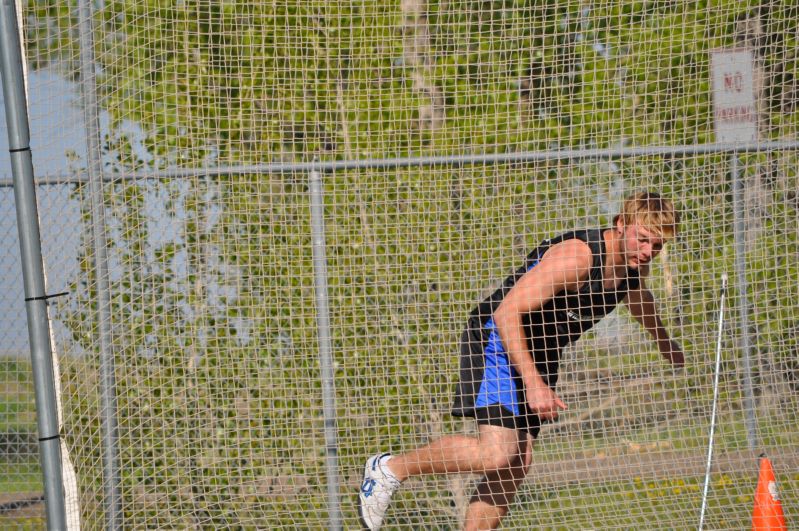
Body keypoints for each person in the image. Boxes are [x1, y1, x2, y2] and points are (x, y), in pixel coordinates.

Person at [357, 191, 685, 530]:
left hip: (540, 353)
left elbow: (637, 297)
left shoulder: (632, 267)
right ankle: (390, 469)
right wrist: (533, 384)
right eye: (643, 240)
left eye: (657, 246)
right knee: (496, 453)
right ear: (620, 224)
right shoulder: (578, 259)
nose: (647, 252)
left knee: (516, 463)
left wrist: (664, 342)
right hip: (499, 340)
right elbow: (506, 312)